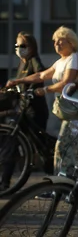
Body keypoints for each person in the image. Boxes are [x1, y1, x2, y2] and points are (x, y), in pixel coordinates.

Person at [6, 26, 78, 177]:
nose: (56, 44)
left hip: (76, 110)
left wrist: (45, 90)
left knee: (62, 147)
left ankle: (62, 187)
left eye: (60, 41)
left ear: (70, 43)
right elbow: (41, 75)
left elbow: (67, 82)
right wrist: (18, 80)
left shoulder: (74, 58)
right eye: (54, 41)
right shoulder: (60, 62)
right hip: (67, 110)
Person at [1, 32, 49, 191]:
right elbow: (19, 87)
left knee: (41, 145)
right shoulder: (21, 64)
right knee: (11, 142)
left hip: (35, 111)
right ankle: (5, 183)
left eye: (23, 46)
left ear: (31, 47)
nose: (19, 49)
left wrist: (20, 81)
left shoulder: (33, 60)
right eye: (17, 46)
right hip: (22, 109)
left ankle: (54, 180)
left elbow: (40, 75)